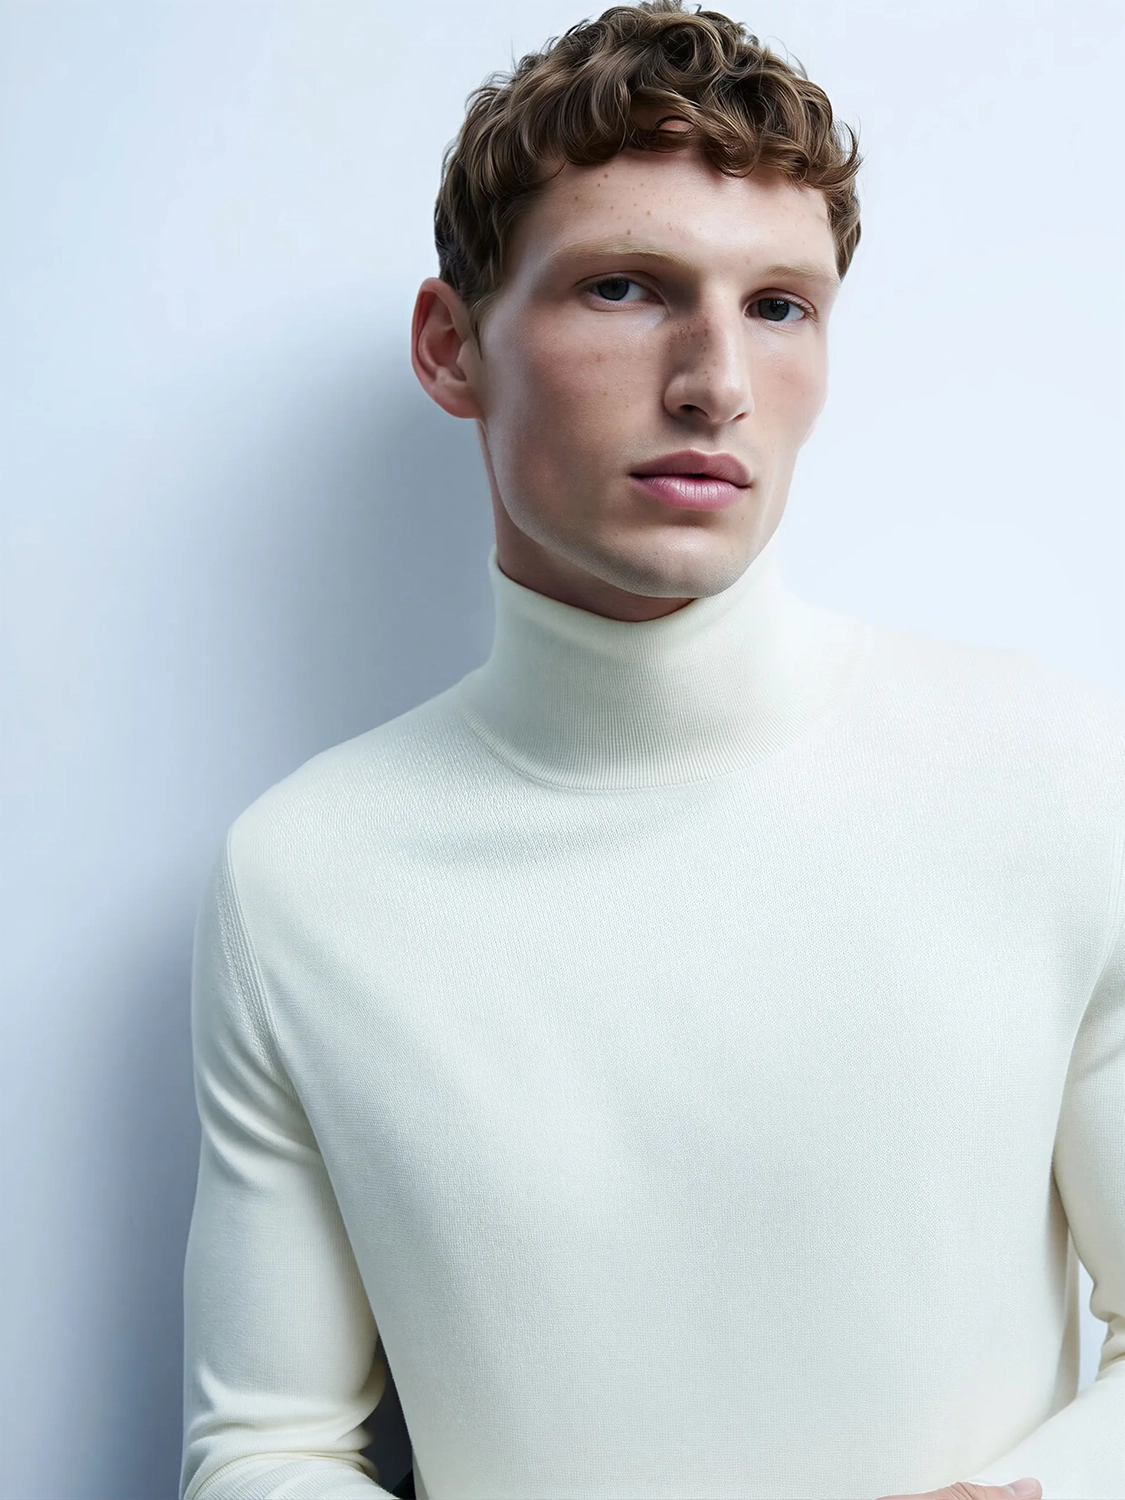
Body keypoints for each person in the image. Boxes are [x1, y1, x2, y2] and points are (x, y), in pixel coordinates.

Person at [178, 3, 1125, 1498]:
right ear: (451, 347)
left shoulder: (1062, 777)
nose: (716, 381)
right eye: (625, 288)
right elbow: (265, 1448)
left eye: (780, 306)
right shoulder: (302, 879)